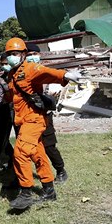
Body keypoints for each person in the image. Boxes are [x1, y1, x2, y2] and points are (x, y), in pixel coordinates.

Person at [4, 37, 81, 210]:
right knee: (38, 154)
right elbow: (12, 95)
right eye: (9, 54)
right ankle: (49, 190)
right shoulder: (12, 74)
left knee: (21, 152)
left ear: (23, 54)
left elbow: (46, 72)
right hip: (23, 121)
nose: (11, 57)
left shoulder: (30, 68)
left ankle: (25, 192)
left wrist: (66, 75)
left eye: (15, 53)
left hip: (34, 119)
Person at [26, 43, 68, 184]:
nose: (32, 58)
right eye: (28, 55)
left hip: (44, 114)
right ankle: (43, 174)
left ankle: (61, 170)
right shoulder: (23, 73)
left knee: (49, 146)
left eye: (34, 55)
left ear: (39, 56)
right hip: (28, 116)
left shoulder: (45, 72)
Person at [0, 54, 14, 170]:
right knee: (3, 138)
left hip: (21, 111)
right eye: (2, 64)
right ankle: (11, 159)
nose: (4, 66)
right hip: (7, 111)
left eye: (6, 63)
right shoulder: (1, 79)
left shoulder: (19, 75)